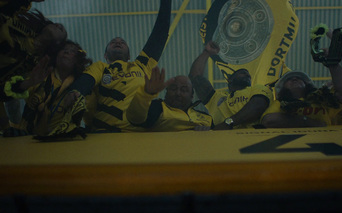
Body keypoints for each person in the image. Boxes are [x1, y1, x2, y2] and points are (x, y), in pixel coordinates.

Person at [69, 0, 171, 132]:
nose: (118, 42)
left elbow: (160, 35)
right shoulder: (100, 67)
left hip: (137, 132)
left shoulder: (141, 65)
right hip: (103, 133)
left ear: (129, 56)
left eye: (122, 42)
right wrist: (75, 92)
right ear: (105, 55)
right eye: (113, 42)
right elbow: (87, 79)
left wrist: (166, 2)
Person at [3, 40, 92, 138]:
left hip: (63, 140)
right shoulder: (41, 75)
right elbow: (7, 92)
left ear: (78, 60)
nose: (66, 52)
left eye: (72, 51)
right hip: (29, 139)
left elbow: (90, 113)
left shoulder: (81, 84)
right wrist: (29, 82)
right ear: (56, 56)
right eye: (63, 50)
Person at [188, 41, 273, 130]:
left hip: (251, 138)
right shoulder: (216, 98)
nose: (248, 75)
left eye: (249, 76)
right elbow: (195, 77)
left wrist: (228, 123)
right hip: (222, 141)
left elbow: (258, 106)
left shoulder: (258, 88)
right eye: (243, 73)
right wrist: (207, 52)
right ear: (230, 80)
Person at [261, 65, 342, 128]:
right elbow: (268, 121)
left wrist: (333, 64)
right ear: (283, 88)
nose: (294, 78)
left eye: (299, 78)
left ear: (307, 84)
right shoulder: (279, 103)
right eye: (289, 79)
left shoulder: (321, 99)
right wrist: (307, 121)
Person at [126, 66, 213, 131]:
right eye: (173, 88)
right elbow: (135, 119)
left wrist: (209, 133)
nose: (178, 93)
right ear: (166, 92)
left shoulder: (206, 117)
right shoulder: (158, 108)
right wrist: (146, 94)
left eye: (184, 90)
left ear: (192, 96)